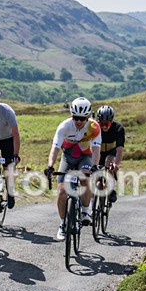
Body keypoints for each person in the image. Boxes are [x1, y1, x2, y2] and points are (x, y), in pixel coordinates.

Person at [44, 97, 101, 241]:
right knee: (62, 191)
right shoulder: (64, 126)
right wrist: (50, 166)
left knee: (85, 179)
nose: (79, 121)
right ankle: (63, 224)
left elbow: (95, 149)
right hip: (67, 158)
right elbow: (55, 148)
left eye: (82, 118)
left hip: (85, 157)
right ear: (71, 115)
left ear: (88, 116)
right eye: (76, 118)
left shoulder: (94, 127)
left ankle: (85, 212)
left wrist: (94, 166)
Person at [95, 105, 124, 203]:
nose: (103, 126)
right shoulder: (94, 127)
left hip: (111, 152)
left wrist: (117, 164)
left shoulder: (118, 128)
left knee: (109, 161)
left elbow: (120, 149)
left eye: (106, 124)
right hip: (97, 152)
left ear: (111, 121)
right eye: (101, 123)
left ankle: (111, 189)